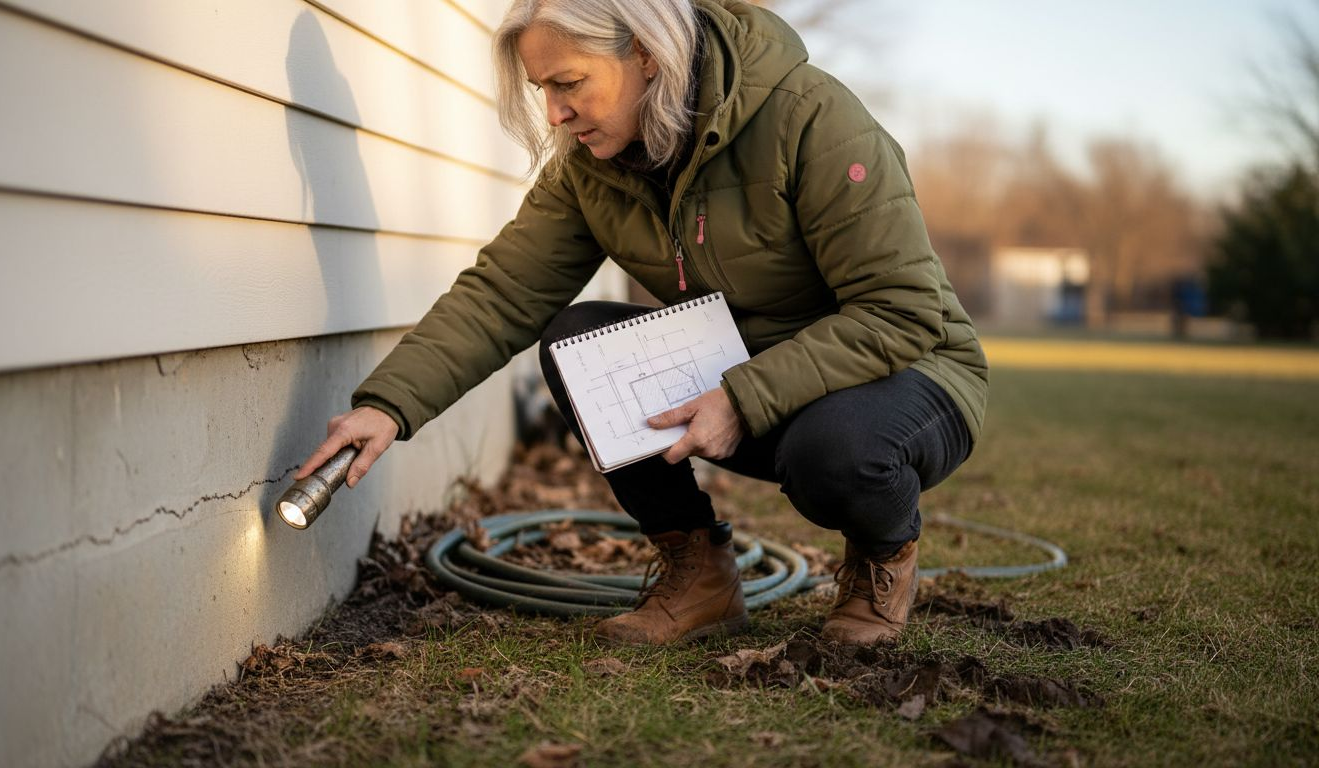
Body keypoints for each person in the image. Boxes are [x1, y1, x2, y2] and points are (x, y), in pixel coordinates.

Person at [296, 0, 987, 648]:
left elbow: (901, 309)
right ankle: (700, 574)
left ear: (647, 55)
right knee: (578, 342)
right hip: (749, 373)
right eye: (542, 89)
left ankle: (880, 554)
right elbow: (503, 294)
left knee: (833, 453)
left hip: (907, 372)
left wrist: (745, 395)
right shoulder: (592, 170)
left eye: (568, 82)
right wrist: (388, 405)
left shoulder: (809, 116)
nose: (556, 112)